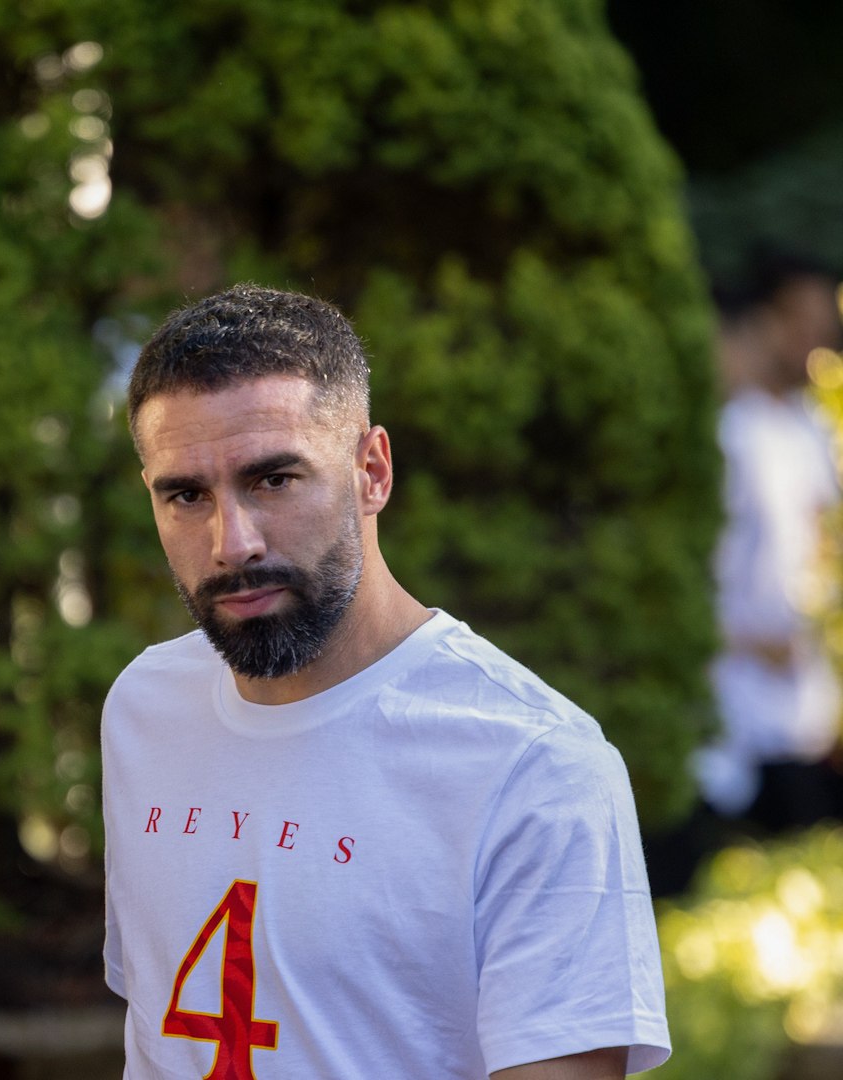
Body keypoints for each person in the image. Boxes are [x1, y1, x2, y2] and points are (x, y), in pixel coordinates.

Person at [102, 284, 669, 1078]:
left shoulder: (535, 765)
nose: (232, 542)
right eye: (186, 494)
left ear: (371, 471)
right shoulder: (143, 709)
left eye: (274, 479)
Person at [695, 250, 843, 831]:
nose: (812, 334)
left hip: (815, 707)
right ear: (763, 322)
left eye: (821, 318)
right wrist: (751, 642)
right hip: (742, 710)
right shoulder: (733, 432)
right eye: (795, 317)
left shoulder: (817, 427)